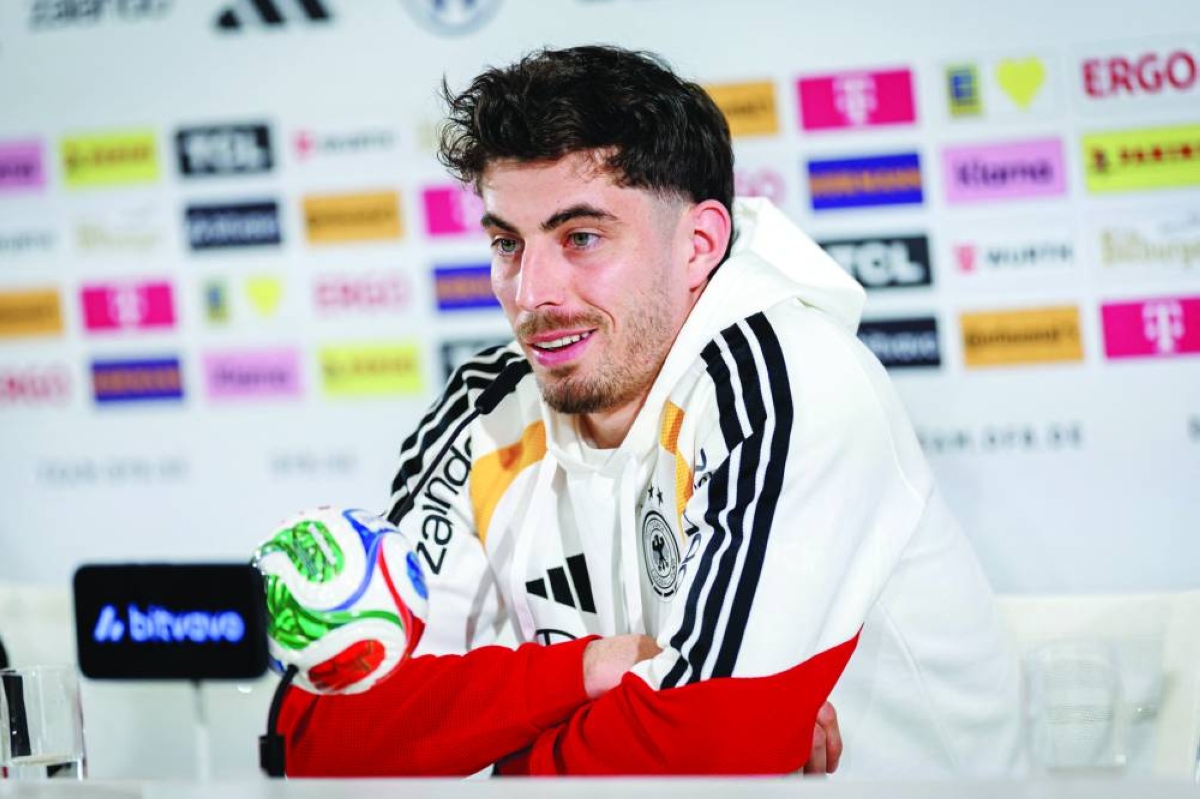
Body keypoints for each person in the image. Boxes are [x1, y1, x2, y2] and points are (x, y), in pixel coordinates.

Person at [275, 44, 1022, 776]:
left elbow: (702, 755)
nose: (531, 292)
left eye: (583, 237)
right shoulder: (485, 404)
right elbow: (318, 732)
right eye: (507, 244)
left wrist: (473, 751)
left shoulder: (786, 376)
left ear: (699, 244)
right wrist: (590, 670)